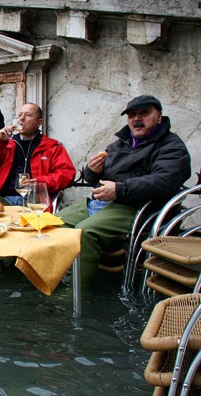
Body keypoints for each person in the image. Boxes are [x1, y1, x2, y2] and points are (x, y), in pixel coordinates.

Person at [56, 95, 191, 283]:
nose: (137, 119)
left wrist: (120, 189)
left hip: (135, 207)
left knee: (85, 231)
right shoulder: (119, 143)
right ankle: (56, 277)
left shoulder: (171, 146)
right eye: (132, 115)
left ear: (159, 117)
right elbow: (96, 181)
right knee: (53, 223)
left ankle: (77, 293)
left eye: (144, 113)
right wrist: (93, 172)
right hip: (103, 202)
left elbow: (163, 182)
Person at [0, 102, 76, 206]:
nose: (21, 119)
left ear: (39, 122)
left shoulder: (51, 147)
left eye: (28, 115)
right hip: (3, 199)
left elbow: (67, 174)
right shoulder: (6, 144)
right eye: (20, 115)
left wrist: (40, 182)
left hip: (35, 200)